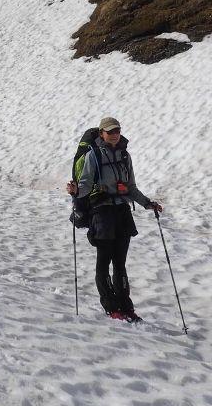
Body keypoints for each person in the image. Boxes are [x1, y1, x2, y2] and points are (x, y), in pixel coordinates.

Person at [68, 116, 162, 321]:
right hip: (101, 213)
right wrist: (76, 191)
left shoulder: (124, 156)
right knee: (104, 262)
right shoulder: (94, 155)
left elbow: (131, 187)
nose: (114, 134)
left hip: (122, 212)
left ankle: (126, 307)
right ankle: (111, 307)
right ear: (101, 133)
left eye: (117, 130)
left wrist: (147, 203)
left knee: (120, 263)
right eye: (110, 131)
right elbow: (84, 184)